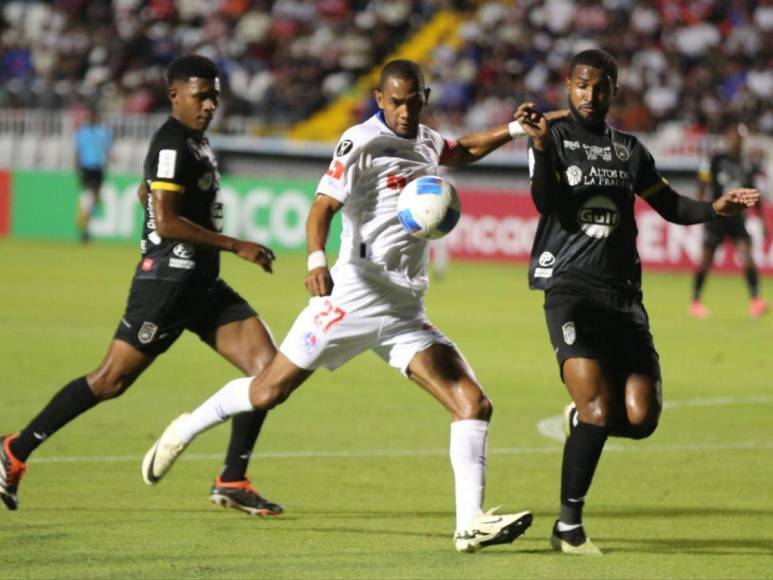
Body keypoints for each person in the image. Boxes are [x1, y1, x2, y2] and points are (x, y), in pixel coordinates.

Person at [141, 59, 564, 553]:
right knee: (268, 392)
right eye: (396, 101)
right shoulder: (360, 141)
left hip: (404, 307)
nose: (405, 111)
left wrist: (516, 128)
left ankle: (469, 523)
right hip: (352, 294)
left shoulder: (425, 139)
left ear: (424, 97)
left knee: (474, 404)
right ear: (380, 99)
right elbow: (322, 207)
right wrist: (318, 259)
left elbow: (462, 148)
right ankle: (187, 427)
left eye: (413, 101)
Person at [0, 55, 283, 517]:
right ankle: (14, 449)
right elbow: (169, 222)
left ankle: (232, 477)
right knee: (111, 379)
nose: (210, 104)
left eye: (214, 96)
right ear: (175, 96)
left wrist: (152, 193)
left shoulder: (193, 142)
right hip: (168, 281)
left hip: (202, 283)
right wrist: (236, 245)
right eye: (201, 96)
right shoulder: (174, 143)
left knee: (268, 371)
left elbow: (150, 194)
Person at [518, 49, 759, 555]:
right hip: (571, 290)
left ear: (614, 89)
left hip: (624, 296)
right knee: (601, 409)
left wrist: (714, 208)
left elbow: (668, 204)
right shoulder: (554, 138)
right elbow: (545, 202)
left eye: (600, 86)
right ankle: (568, 527)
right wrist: (540, 149)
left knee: (641, 416)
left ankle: (578, 421)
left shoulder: (629, 150)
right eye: (581, 85)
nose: (590, 94)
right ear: (568, 86)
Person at [690, 124, 768, 319]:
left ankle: (756, 300)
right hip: (717, 216)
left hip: (737, 218)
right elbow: (703, 182)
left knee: (747, 256)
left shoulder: (747, 164)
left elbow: (754, 195)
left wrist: (763, 219)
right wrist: (701, 210)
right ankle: (696, 301)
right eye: (734, 138)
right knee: (706, 260)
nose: (737, 142)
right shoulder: (716, 159)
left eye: (741, 139)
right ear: (727, 138)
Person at [75, 106, 112, 243]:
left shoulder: (85, 132)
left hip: (93, 168)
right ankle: (84, 226)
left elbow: (77, 152)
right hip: (91, 168)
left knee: (92, 199)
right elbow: (106, 151)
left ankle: (85, 225)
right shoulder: (100, 132)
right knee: (91, 198)